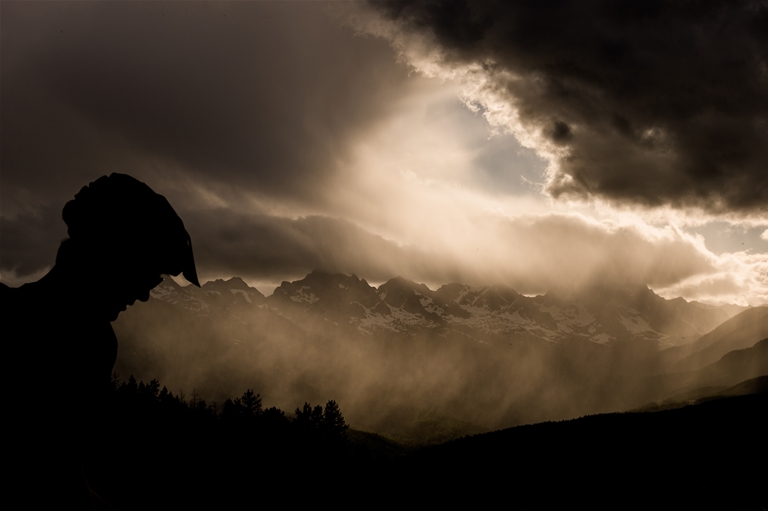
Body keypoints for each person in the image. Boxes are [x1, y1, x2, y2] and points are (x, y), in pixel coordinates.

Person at [1, 173, 199, 508]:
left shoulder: (91, 341)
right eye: (149, 276)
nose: (145, 295)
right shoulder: (89, 345)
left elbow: (63, 470)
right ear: (112, 258)